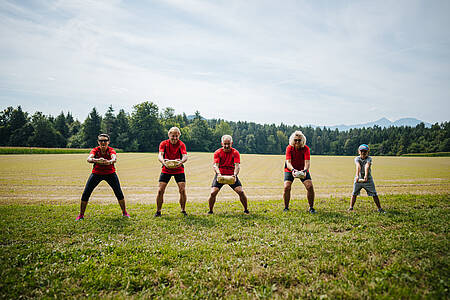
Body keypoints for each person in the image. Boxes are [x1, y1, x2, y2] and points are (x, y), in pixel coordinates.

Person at [76, 133, 129, 220]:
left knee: (118, 193)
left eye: (105, 141)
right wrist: (97, 160)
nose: (103, 142)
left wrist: (109, 162)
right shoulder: (95, 150)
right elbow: (89, 159)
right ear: (98, 142)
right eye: (101, 141)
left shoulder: (111, 150)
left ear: (108, 142)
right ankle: (81, 215)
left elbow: (114, 158)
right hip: (96, 174)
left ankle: (124, 213)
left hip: (110, 174)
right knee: (86, 193)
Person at [207, 135, 249, 214]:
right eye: (225, 144)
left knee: (241, 192)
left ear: (231, 143)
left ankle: (246, 210)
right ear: (222, 143)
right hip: (220, 175)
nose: (226, 146)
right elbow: (215, 165)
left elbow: (237, 166)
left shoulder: (235, 152)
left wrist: (235, 175)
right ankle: (210, 211)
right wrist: (218, 174)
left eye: (228, 144)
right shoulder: (218, 152)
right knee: (213, 193)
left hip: (231, 175)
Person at [155, 127, 188, 217]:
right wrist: (163, 162)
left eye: (176, 136)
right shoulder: (164, 144)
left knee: (182, 190)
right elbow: (160, 155)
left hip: (179, 169)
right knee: (160, 190)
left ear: (179, 136)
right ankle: (158, 211)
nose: (174, 138)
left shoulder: (181, 144)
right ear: (169, 135)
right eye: (173, 136)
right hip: (166, 169)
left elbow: (185, 156)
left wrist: (181, 162)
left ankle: (183, 210)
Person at [283, 130, 316, 213]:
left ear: (302, 141)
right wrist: (293, 170)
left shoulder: (306, 149)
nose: (297, 142)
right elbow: (288, 162)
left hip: (302, 169)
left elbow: (307, 162)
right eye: (295, 140)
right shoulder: (289, 148)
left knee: (310, 187)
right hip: (290, 169)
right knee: (287, 187)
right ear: (292, 140)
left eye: (299, 140)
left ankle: (311, 208)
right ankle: (286, 207)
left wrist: (305, 171)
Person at [349, 144, 385, 213]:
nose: (363, 152)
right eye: (362, 151)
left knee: (374, 194)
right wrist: (357, 176)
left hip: (368, 179)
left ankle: (379, 208)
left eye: (365, 151)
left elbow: (367, 166)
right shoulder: (357, 158)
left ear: (368, 152)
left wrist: (366, 176)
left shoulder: (369, 158)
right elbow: (358, 166)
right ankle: (351, 207)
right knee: (354, 193)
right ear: (359, 151)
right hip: (358, 179)